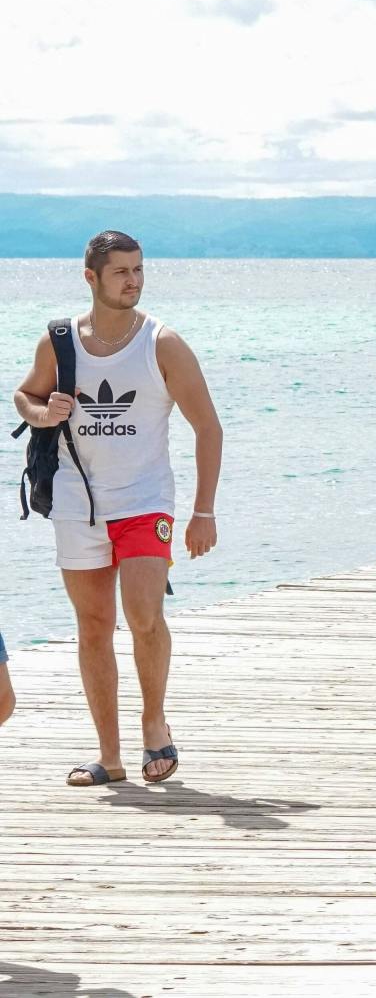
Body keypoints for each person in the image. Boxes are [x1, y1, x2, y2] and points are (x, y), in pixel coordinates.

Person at [12, 230, 223, 787]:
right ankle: (109, 755)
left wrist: (204, 511)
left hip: (144, 498)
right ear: (92, 278)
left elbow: (208, 427)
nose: (133, 280)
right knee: (93, 625)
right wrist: (42, 412)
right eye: (121, 272)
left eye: (138, 269)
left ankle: (154, 720)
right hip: (76, 503)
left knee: (144, 615)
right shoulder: (59, 341)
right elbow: (24, 396)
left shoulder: (162, 343)